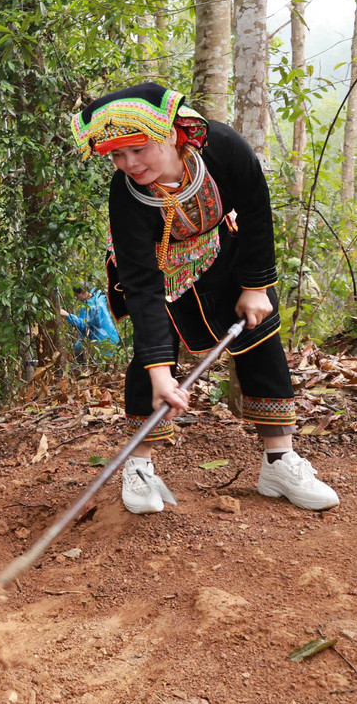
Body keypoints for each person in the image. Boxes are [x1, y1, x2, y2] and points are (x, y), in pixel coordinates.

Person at [71, 82, 338, 514]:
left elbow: (254, 210)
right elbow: (142, 285)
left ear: (173, 133)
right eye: (117, 156)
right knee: (150, 355)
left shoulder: (224, 148)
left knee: (259, 333)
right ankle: (139, 467)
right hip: (153, 272)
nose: (129, 164)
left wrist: (255, 286)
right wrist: (162, 373)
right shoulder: (126, 194)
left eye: (139, 150)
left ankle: (279, 459)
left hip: (220, 250)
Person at [59, 285, 120, 362]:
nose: (77, 298)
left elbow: (83, 325)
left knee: (80, 351)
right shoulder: (99, 297)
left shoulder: (88, 306)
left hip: (100, 341)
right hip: (113, 338)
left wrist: (67, 315)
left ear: (83, 292)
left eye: (77, 295)